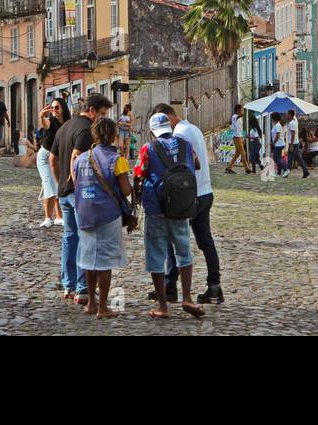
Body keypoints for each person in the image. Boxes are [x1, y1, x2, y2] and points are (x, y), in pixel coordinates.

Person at [133, 106, 204, 320]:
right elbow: (197, 165)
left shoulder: (148, 148)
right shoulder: (185, 144)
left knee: (156, 256)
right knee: (184, 253)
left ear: (152, 130)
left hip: (156, 210)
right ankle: (187, 297)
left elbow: (138, 174)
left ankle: (163, 306)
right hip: (181, 208)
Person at [73, 116, 133, 319]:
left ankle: (91, 302)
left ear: (94, 135)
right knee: (104, 261)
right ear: (114, 135)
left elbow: (75, 182)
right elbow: (125, 190)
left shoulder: (80, 159)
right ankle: (103, 307)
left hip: (84, 212)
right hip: (107, 214)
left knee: (89, 259)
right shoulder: (118, 160)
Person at [52, 92, 108, 304]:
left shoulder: (65, 126)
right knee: (85, 238)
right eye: (102, 114)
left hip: (64, 193)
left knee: (69, 238)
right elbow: (76, 157)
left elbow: (52, 159)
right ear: (92, 110)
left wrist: (61, 184)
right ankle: (83, 288)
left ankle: (69, 284)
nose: (103, 118)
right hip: (78, 193)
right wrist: (76, 185)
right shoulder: (86, 129)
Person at [165, 104, 223, 304]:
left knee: (174, 239)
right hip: (205, 191)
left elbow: (180, 167)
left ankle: (169, 285)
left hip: (191, 194)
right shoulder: (193, 128)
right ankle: (214, 285)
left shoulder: (180, 134)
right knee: (205, 241)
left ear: (168, 117)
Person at [36, 101, 64, 228]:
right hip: (45, 157)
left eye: (56, 107)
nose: (54, 110)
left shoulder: (67, 123)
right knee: (48, 184)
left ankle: (59, 217)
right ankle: (48, 218)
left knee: (58, 186)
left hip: (58, 157)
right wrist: (41, 116)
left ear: (63, 108)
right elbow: (45, 124)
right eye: (52, 107)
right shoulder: (50, 121)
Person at [283, 109, 310, 178]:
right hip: (295, 143)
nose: (286, 115)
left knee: (290, 159)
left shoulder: (292, 123)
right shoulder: (293, 122)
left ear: (290, 115)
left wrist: (291, 145)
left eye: (287, 114)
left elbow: (293, 134)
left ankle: (287, 173)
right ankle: (305, 171)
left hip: (293, 144)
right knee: (298, 158)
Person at [226, 104, 251, 174]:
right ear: (238, 110)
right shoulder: (234, 116)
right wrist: (244, 109)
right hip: (236, 137)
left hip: (239, 137)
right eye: (242, 109)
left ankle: (228, 168)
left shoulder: (239, 119)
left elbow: (240, 129)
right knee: (243, 152)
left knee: (237, 154)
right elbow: (242, 115)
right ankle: (246, 168)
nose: (242, 110)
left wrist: (242, 137)